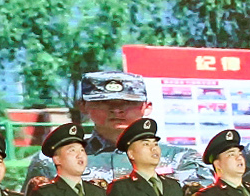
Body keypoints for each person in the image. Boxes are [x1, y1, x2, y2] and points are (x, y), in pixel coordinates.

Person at [26, 72, 212, 186]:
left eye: (128, 103)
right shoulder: (51, 161)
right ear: (83, 106)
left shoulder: (180, 159)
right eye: (104, 103)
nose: (116, 110)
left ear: (147, 107)